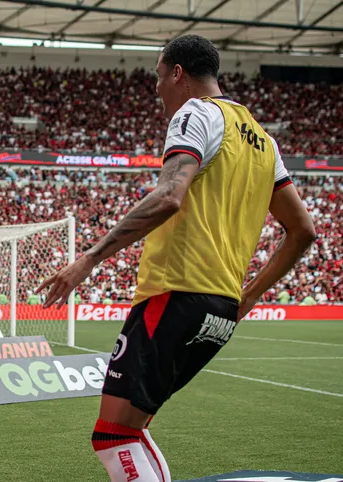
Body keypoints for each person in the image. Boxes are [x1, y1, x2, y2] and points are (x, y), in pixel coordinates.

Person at [37, 35, 315, 481]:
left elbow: (169, 197)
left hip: (176, 293)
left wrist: (89, 258)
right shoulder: (263, 141)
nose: (157, 88)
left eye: (158, 76)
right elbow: (303, 231)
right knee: (131, 429)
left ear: (177, 73)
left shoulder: (196, 113)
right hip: (220, 307)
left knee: (113, 435)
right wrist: (248, 297)